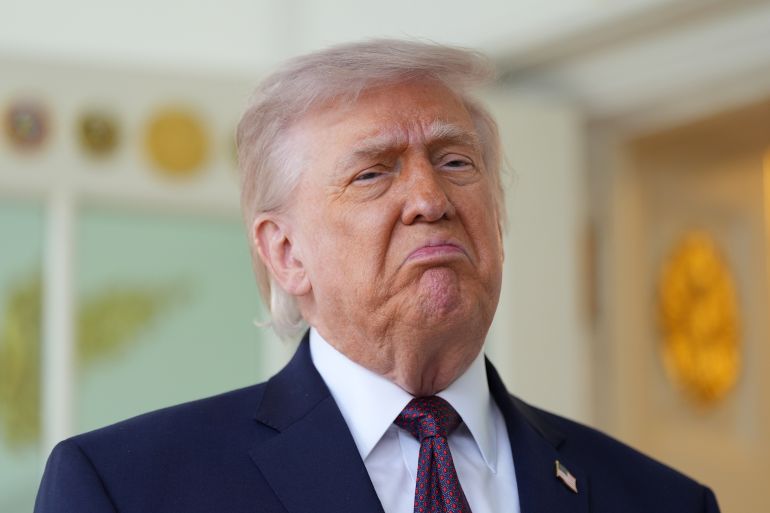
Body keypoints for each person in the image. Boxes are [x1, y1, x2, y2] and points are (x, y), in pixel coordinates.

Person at [34, 39, 720, 513]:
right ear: (285, 253)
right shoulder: (130, 488)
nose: (430, 198)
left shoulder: (659, 500)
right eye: (373, 172)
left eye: (455, 161)